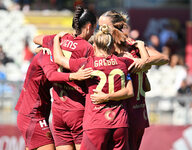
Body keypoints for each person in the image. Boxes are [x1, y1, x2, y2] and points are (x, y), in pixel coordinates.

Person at [53, 24, 148, 150]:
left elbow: (59, 59)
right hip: (120, 123)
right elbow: (145, 63)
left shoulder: (88, 63)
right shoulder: (123, 62)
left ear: (94, 46)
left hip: (96, 122)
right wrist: (141, 46)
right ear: (112, 46)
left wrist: (55, 39)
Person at [98, 10, 169, 150]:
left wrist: (142, 61)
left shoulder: (133, 46)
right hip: (113, 113)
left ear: (116, 26)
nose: (101, 30)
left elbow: (163, 58)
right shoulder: (103, 47)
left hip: (134, 113)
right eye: (99, 27)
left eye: (104, 26)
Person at [33, 6, 97, 150]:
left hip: (58, 111)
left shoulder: (61, 38)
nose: (94, 32)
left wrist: (50, 45)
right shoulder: (88, 48)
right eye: (94, 28)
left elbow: (36, 38)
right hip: (77, 110)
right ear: (88, 27)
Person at [15, 46, 93, 150]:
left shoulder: (47, 55)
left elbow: (37, 40)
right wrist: (74, 76)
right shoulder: (45, 56)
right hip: (33, 115)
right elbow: (52, 75)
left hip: (34, 113)